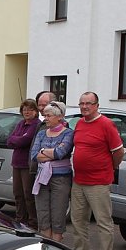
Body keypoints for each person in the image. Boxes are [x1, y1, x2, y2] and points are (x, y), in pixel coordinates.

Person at [70, 92, 124, 250]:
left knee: (103, 221)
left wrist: (109, 168)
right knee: (78, 220)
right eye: (82, 103)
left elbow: (118, 152)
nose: (84, 107)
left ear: (97, 105)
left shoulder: (106, 124)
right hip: (79, 180)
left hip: (98, 182)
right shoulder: (79, 123)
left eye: (88, 103)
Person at [30, 101, 74, 241]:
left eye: (48, 116)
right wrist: (50, 152)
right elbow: (34, 155)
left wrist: (43, 152)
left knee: (58, 214)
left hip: (61, 179)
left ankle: (56, 248)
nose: (45, 118)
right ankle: (45, 247)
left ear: (59, 117)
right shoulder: (42, 134)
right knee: (42, 214)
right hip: (42, 177)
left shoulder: (68, 133)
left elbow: (60, 153)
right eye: (45, 116)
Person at [7, 98, 40, 228]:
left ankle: (32, 222)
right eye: (24, 109)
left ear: (36, 111)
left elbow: (24, 141)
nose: (27, 112)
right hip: (16, 163)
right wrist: (18, 139)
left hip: (27, 165)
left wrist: (18, 140)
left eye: (30, 109)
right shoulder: (20, 124)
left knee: (28, 195)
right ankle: (20, 220)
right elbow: (9, 140)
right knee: (18, 194)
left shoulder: (36, 125)